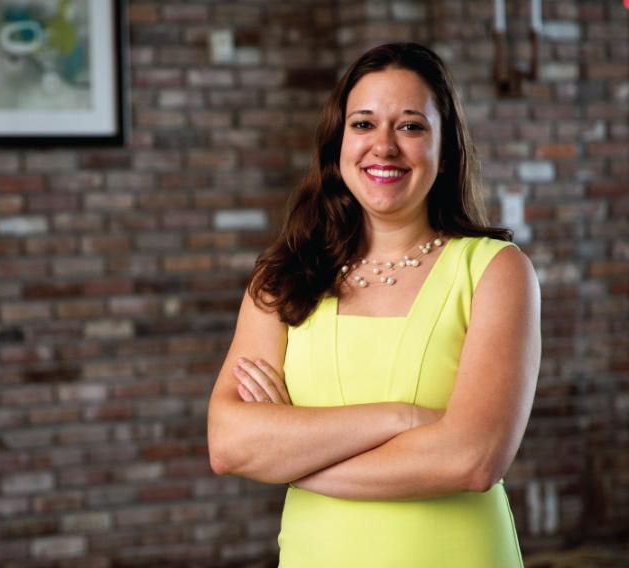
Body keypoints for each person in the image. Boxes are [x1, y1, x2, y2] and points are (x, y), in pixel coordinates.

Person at [207, 42, 541, 567]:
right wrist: (405, 419)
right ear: (338, 143)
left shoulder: (495, 271)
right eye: (363, 125)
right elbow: (229, 444)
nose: (383, 146)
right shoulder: (283, 278)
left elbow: (473, 459)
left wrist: (293, 456)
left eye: (410, 126)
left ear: (445, 148)